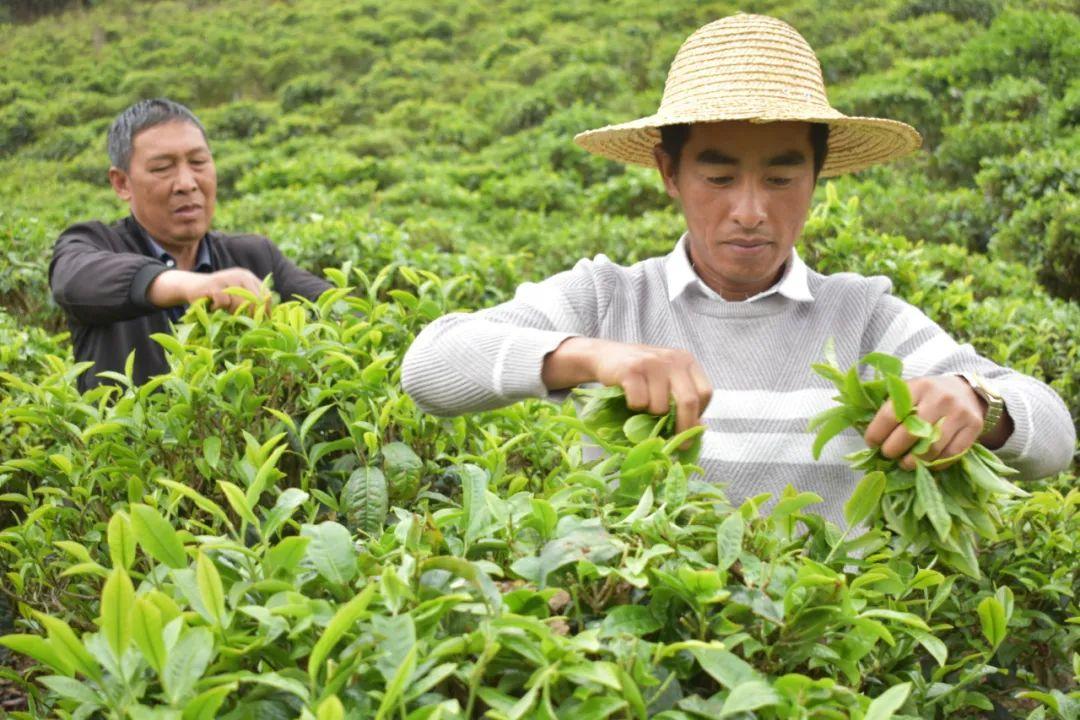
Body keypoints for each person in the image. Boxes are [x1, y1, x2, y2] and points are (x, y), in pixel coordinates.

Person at [401, 14, 1075, 524]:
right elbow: (430, 367)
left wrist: (981, 405)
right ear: (669, 172)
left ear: (817, 177)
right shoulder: (610, 299)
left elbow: (1055, 437)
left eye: (782, 177)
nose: (750, 211)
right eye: (719, 175)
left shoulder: (862, 316)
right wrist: (594, 358)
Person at [50, 98, 331, 392]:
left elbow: (337, 309)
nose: (187, 183)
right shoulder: (91, 243)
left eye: (198, 163)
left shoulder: (253, 255)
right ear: (122, 183)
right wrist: (190, 285)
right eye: (162, 168)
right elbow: (74, 280)